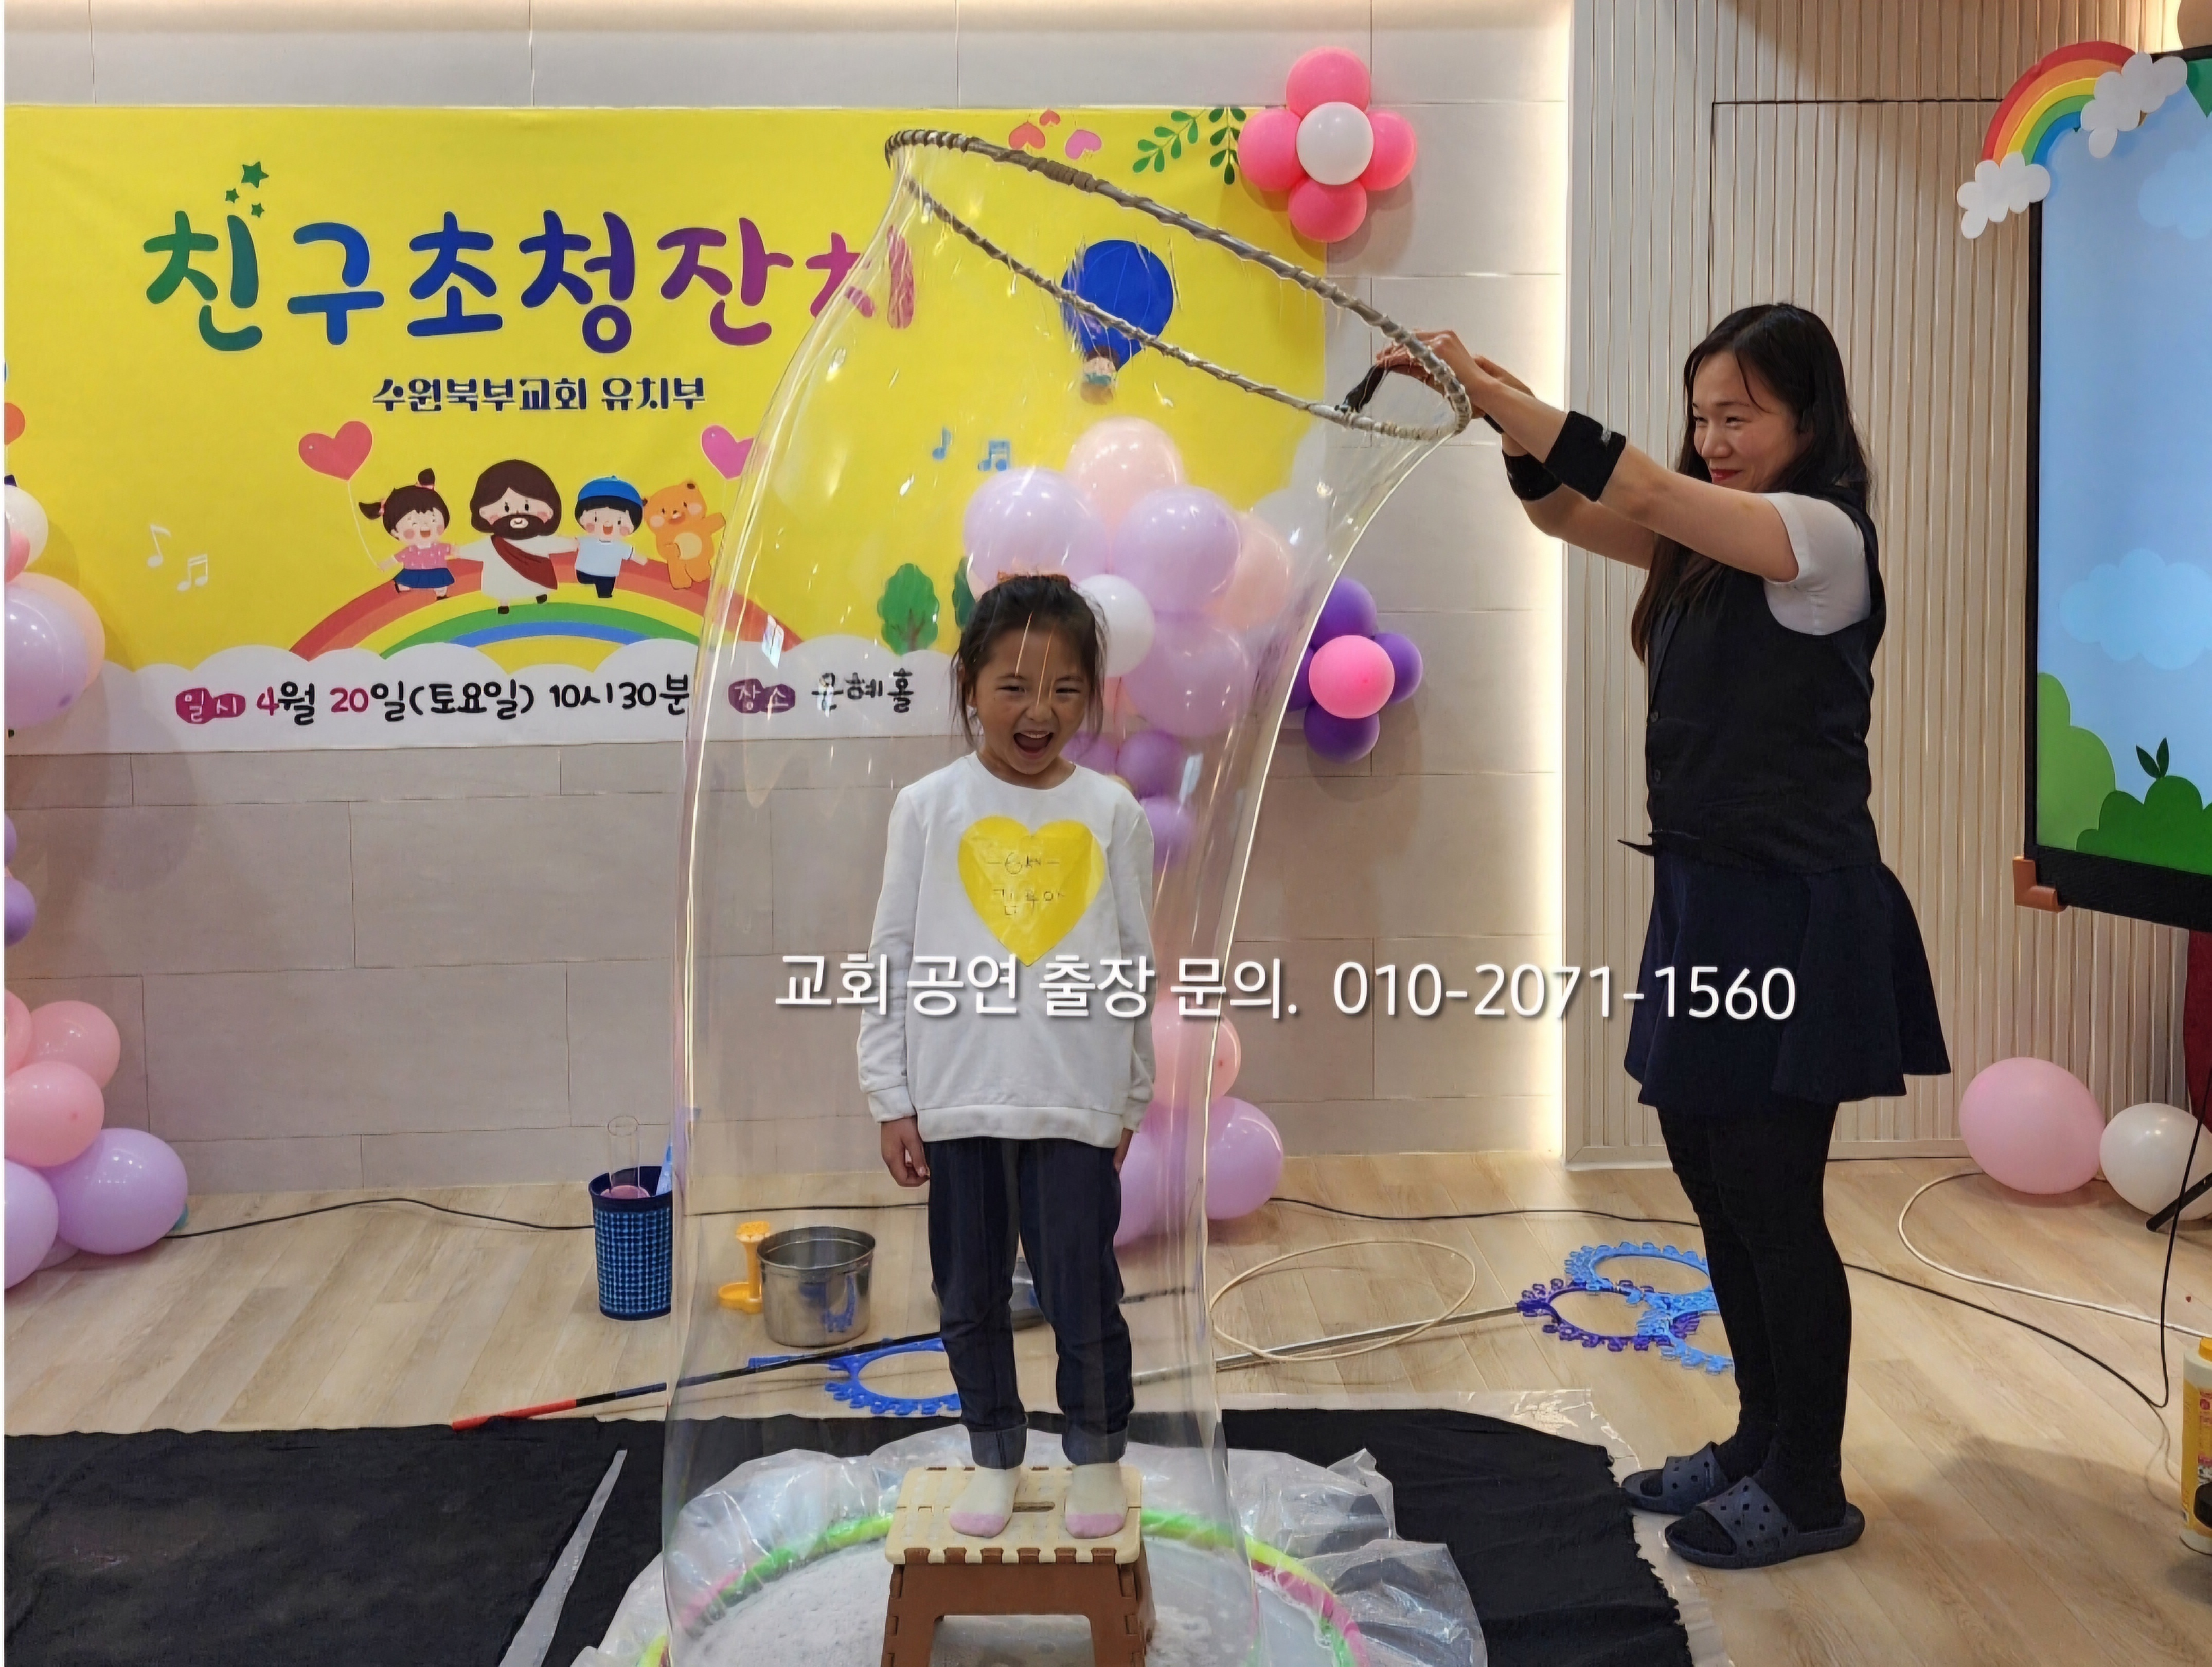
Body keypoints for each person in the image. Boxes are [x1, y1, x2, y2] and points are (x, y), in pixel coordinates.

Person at [1381, 304, 1949, 1570]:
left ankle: (1808, 1484)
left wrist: (1492, 389)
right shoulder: (1703, 543)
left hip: (1792, 914)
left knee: (1770, 1193)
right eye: (1702, 415)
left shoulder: (1815, 536)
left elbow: (1630, 482)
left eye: (1739, 414)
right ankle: (1760, 1439)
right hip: (1705, 900)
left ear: (1807, 418)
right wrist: (1492, 409)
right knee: (1711, 1174)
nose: (1714, 438)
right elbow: (1565, 510)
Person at [858, 572, 1155, 1542]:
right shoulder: (927, 806)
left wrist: (1129, 1097)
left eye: (1065, 690)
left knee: (1083, 1292)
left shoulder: (1112, 811)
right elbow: (891, 956)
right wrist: (891, 1096)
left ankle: (1097, 1456)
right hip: (958, 1103)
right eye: (1014, 687)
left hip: (1074, 1100)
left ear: (1093, 695)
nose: (1039, 713)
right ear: (970, 686)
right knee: (968, 1296)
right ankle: (994, 1454)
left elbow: (1135, 963)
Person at [358, 468, 455, 599]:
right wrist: (383, 565)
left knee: (441, 584)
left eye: (433, 520)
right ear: (395, 533)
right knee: (406, 583)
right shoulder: (410, 551)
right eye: (414, 524)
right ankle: (402, 587)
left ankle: (441, 594)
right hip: (414, 572)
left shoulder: (438, 547)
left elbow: (452, 549)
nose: (425, 527)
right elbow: (396, 558)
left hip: (437, 571)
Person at [572, 475, 649, 599]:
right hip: (584, 572)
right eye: (596, 518)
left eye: (619, 522)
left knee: (605, 593)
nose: (607, 524)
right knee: (585, 585)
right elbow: (573, 543)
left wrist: (645, 563)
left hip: (607, 574)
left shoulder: (620, 547)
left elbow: (635, 556)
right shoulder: (586, 541)